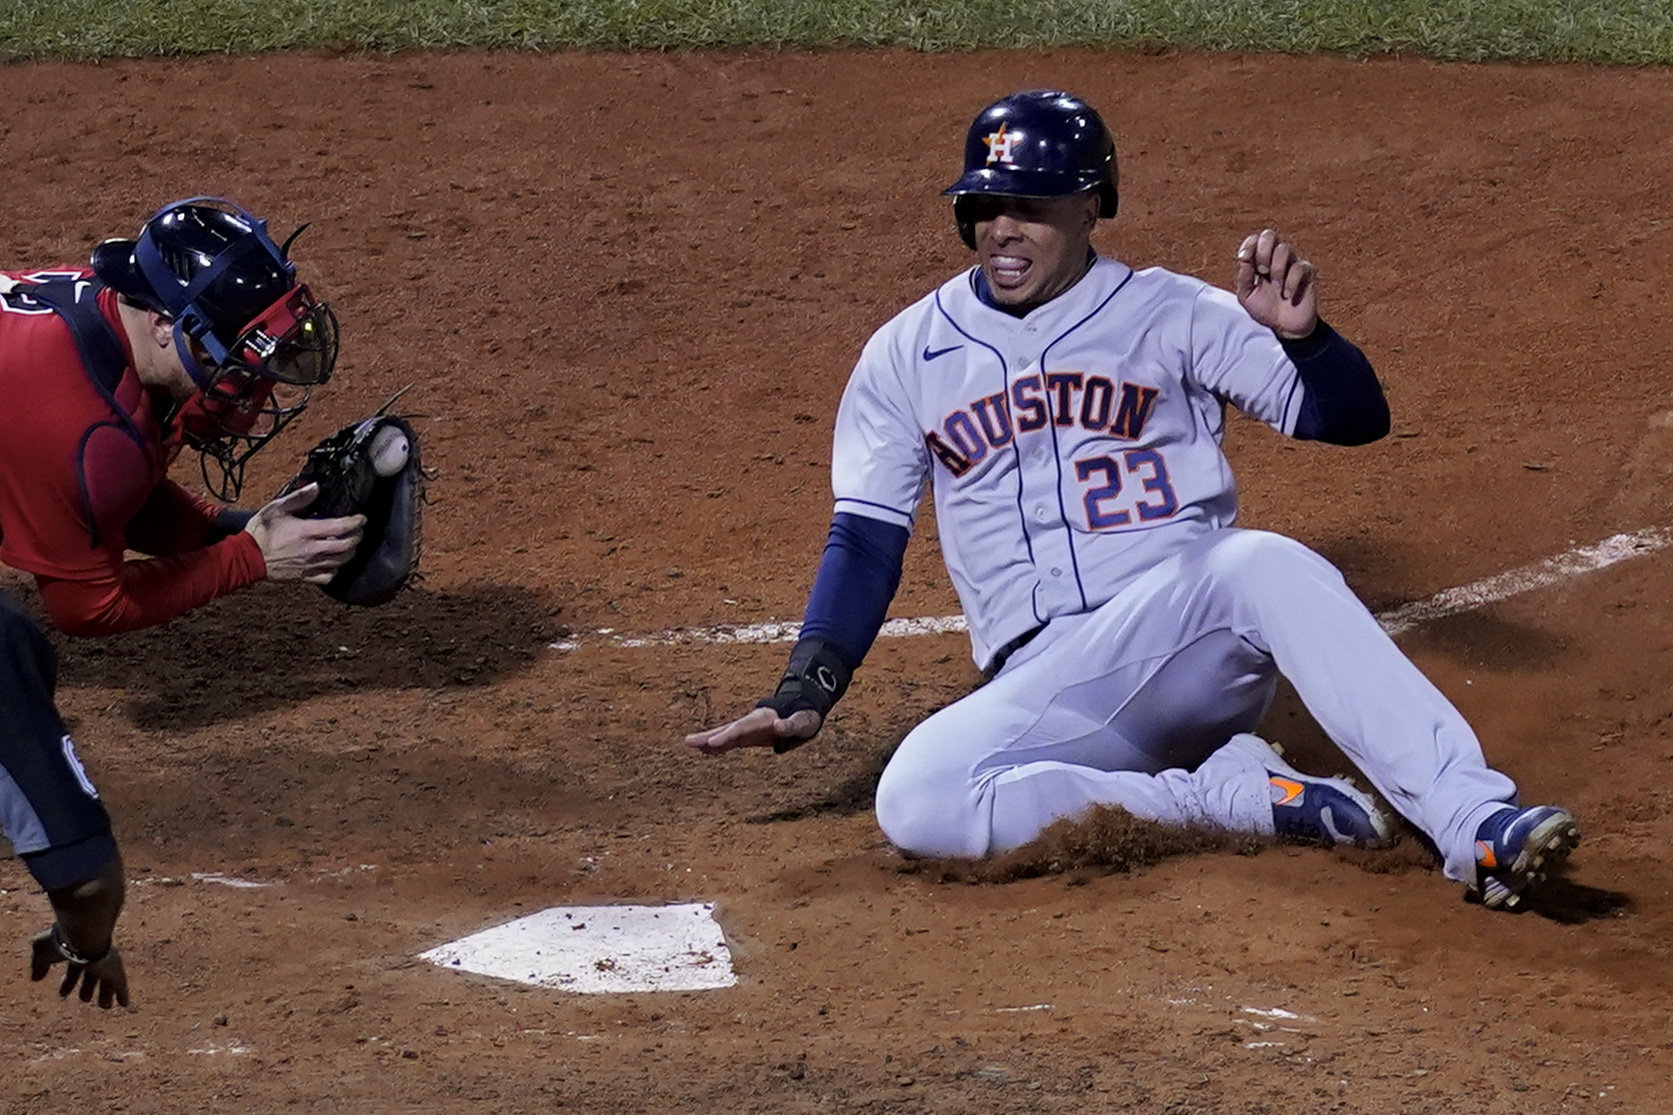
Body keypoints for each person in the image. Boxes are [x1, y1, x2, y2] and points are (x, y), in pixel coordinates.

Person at [686, 90, 1580, 913]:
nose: (1003, 228)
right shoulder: (902, 353)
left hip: (1183, 639)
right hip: (1049, 690)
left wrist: (1307, 341)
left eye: (1030, 207)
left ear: (1089, 206)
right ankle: (1223, 797)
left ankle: (1474, 823)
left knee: (1262, 563)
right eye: (985, 207)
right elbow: (867, 535)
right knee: (917, 797)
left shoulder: (1172, 312)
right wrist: (811, 684)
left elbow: (1348, 419)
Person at [1, 197, 368, 1008]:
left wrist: (242, 529)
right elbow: (86, 606)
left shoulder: (104, 336)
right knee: (8, 652)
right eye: (241, 353)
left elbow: (123, 494)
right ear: (166, 324)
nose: (256, 378)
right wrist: (247, 560)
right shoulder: (74, 422)